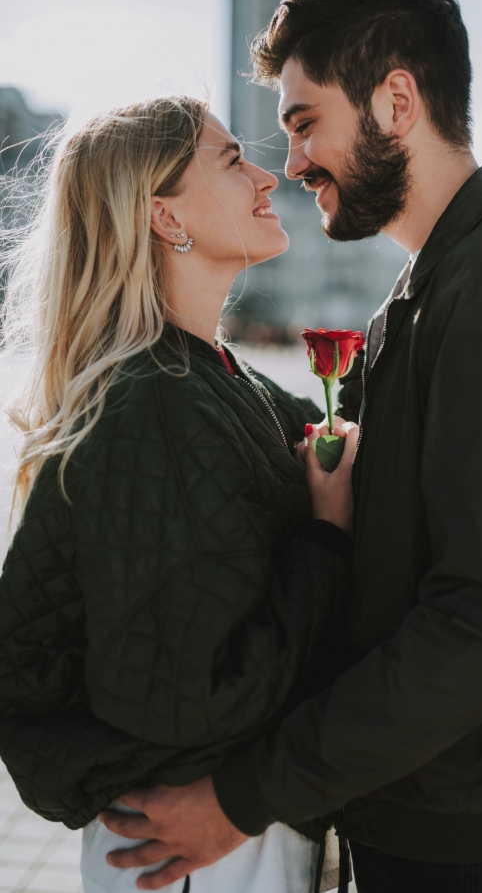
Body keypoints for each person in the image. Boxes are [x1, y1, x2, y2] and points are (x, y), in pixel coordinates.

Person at [102, 0, 482, 893]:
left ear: (395, 102)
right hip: (451, 806)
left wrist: (239, 797)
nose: (292, 161)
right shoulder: (437, 284)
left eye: (305, 123)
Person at [0, 95, 360, 893]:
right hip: (199, 853)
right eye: (233, 160)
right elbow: (194, 698)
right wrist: (327, 537)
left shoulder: (209, 376)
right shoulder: (155, 404)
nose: (269, 174)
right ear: (164, 217)